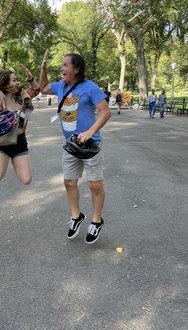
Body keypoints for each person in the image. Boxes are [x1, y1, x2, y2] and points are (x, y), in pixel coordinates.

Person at [39, 52, 111, 244]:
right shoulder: (60, 86)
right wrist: (43, 68)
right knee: (69, 182)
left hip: (90, 145)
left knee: (94, 184)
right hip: (71, 146)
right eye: (61, 65)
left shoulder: (90, 88)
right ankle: (76, 216)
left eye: (65, 65)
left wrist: (90, 131)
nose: (62, 68)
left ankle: (96, 220)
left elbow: (105, 112)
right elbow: (42, 88)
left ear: (77, 69)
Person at [0, 64, 39, 185]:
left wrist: (30, 78)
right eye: (14, 80)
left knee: (26, 180)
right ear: (5, 84)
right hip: (2, 142)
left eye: (17, 80)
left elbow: (36, 90)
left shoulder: (21, 95)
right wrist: (3, 112)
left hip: (19, 140)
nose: (17, 83)